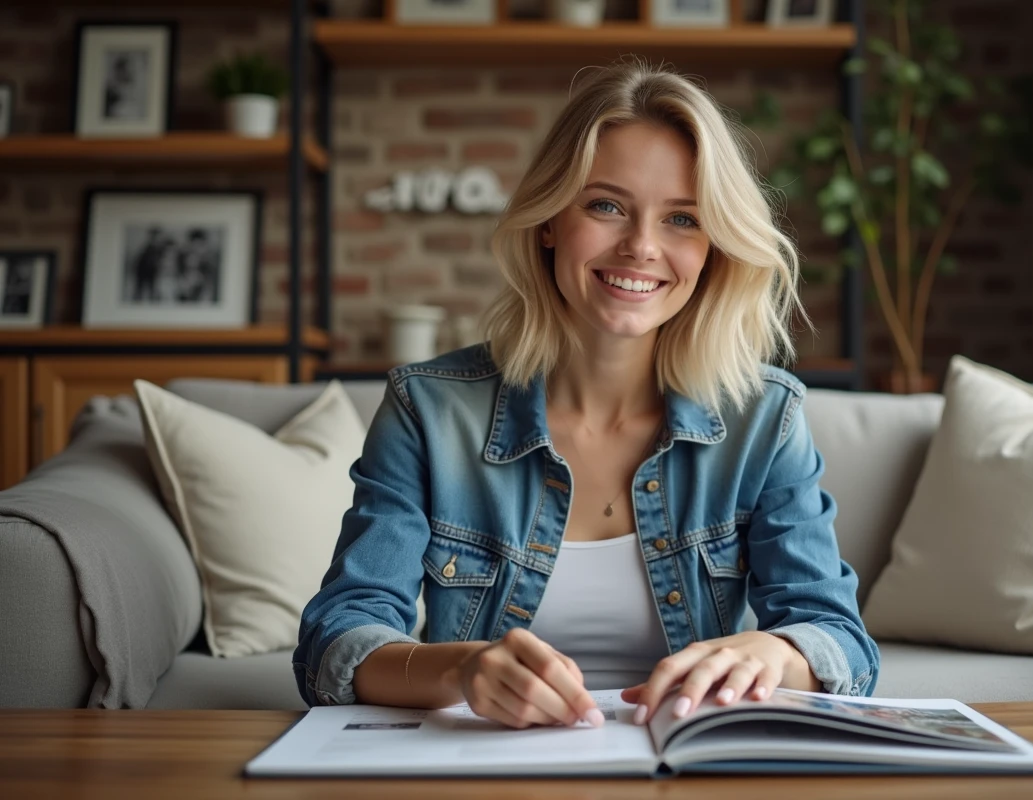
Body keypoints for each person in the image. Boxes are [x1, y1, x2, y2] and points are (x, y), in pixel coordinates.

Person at [294, 58, 879, 730]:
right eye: (607, 206)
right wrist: (461, 671)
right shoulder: (428, 410)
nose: (641, 247)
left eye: (682, 219)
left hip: (685, 763)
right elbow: (337, 639)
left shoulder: (766, 418)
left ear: (715, 247)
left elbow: (841, 643)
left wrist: (772, 653)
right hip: (485, 760)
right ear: (549, 220)